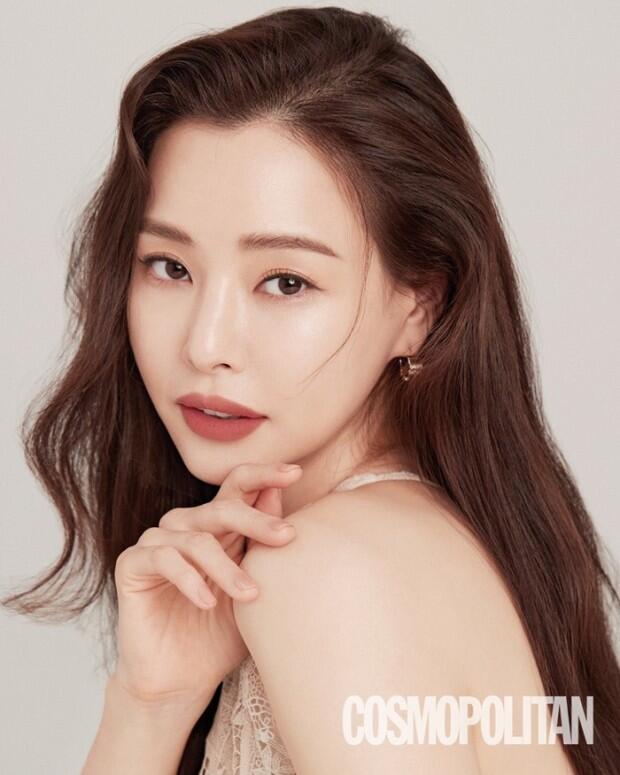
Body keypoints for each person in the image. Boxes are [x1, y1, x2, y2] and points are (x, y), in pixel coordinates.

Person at [2, 6, 618, 775]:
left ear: (421, 305)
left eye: (286, 281)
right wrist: (150, 702)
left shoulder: (324, 571)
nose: (205, 344)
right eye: (170, 266)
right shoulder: (432, 539)